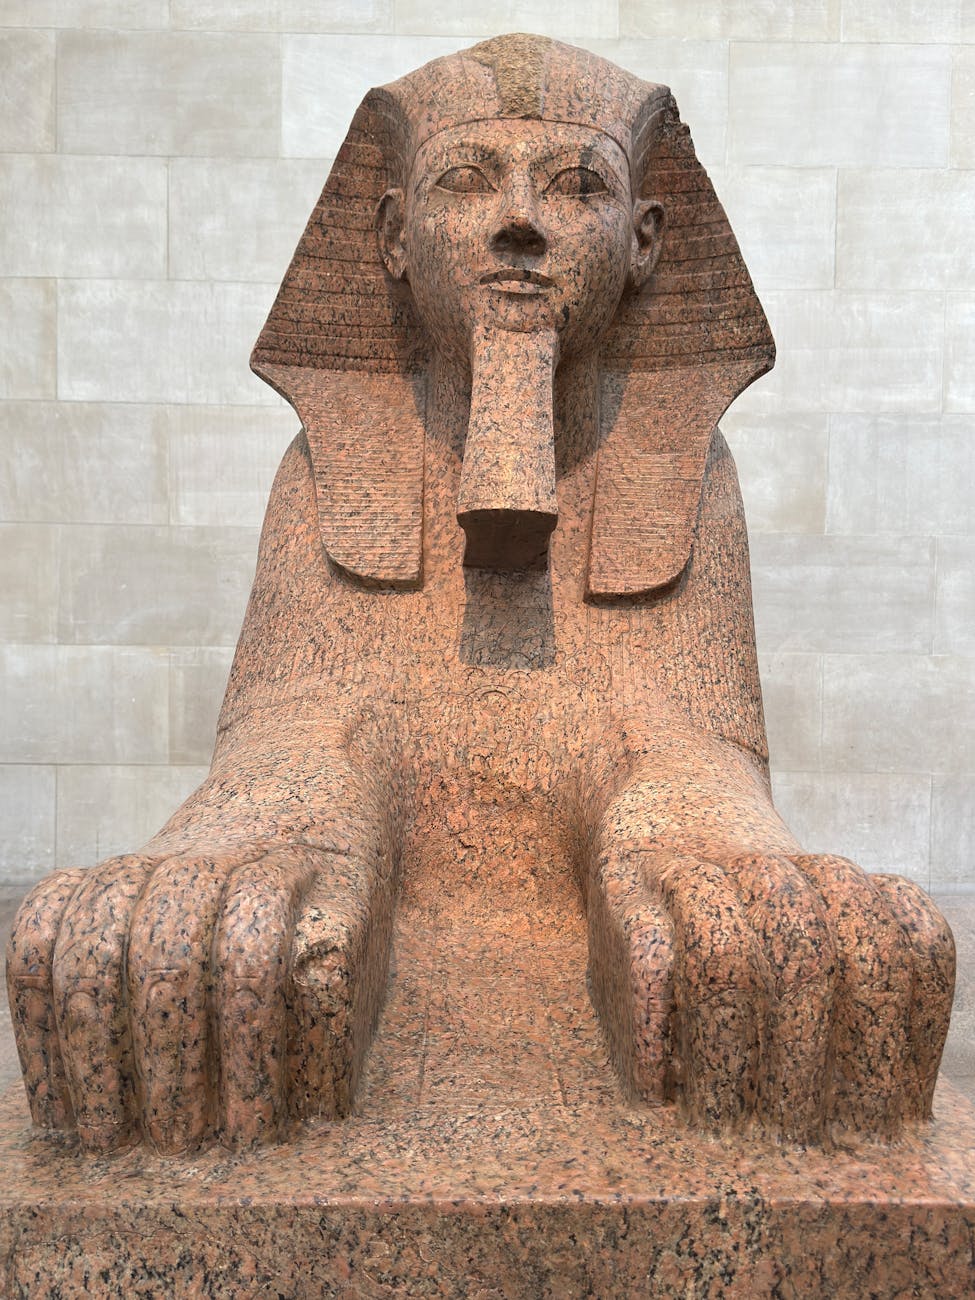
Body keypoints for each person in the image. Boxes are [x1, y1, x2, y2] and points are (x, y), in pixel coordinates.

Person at [6, 34, 954, 1155]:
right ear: (391, 235)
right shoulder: (323, 474)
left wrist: (710, 845)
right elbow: (309, 733)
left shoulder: (688, 480)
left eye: (575, 184)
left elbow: (675, 747)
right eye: (467, 180)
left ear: (649, 240)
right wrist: (254, 829)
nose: (518, 221)